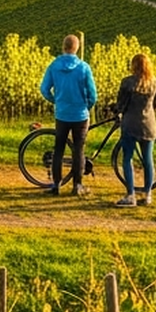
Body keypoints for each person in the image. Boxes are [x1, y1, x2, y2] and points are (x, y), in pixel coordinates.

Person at [39, 34, 97, 196]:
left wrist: (55, 100)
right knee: (78, 150)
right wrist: (87, 105)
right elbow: (93, 94)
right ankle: (77, 186)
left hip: (62, 113)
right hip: (80, 114)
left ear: (63, 47)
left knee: (59, 149)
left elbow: (44, 89)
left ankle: (56, 185)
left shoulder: (54, 66)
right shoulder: (84, 68)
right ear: (76, 48)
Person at [114, 52, 156, 207]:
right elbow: (155, 104)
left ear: (133, 66)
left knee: (127, 159)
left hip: (130, 124)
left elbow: (121, 103)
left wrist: (116, 110)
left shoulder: (127, 82)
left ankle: (130, 195)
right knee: (148, 160)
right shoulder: (154, 83)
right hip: (149, 125)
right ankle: (148, 194)